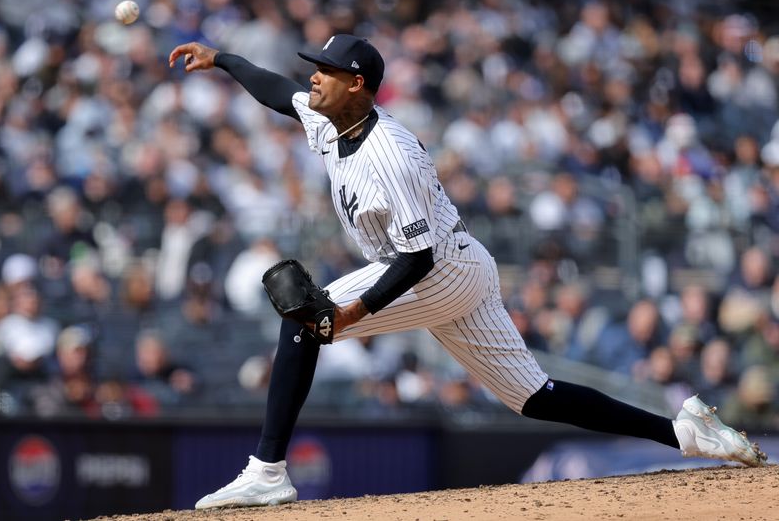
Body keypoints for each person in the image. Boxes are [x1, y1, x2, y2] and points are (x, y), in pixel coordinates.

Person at [168, 35, 766, 510]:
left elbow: (417, 258)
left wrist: (353, 312)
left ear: (360, 86)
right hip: (460, 266)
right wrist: (222, 59)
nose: (313, 75)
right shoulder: (330, 117)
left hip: (439, 270)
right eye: (314, 65)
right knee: (533, 397)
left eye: (325, 68)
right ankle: (685, 433)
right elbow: (276, 91)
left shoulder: (389, 154)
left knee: (305, 319)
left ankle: (267, 473)